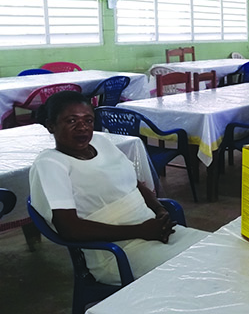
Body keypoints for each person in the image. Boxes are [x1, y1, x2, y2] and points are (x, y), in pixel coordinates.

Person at [29, 91, 208, 285]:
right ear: (50, 125)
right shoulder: (51, 164)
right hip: (115, 251)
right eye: (71, 121)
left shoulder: (101, 143)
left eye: (88, 120)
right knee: (197, 271)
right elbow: (69, 228)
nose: (82, 127)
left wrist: (159, 210)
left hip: (152, 230)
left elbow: (134, 183)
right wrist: (141, 231)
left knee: (221, 248)